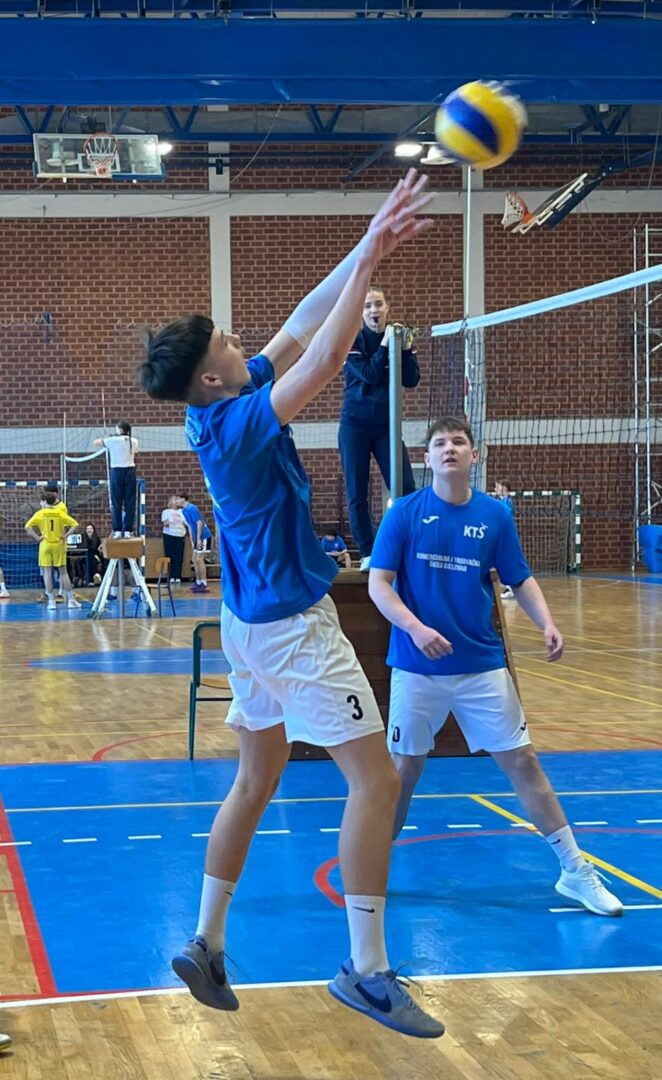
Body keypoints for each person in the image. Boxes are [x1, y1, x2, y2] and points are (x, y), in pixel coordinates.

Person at [139, 171, 444, 1039]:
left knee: (257, 777)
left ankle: (205, 941)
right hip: (291, 628)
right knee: (375, 780)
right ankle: (367, 971)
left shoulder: (216, 403)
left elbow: (304, 322)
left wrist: (369, 240)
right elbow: (321, 360)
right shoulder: (238, 426)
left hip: (248, 628)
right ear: (212, 375)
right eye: (230, 340)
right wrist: (372, 259)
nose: (245, 340)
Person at [368, 416, 623, 918]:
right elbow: (380, 583)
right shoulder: (404, 513)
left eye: (458, 441)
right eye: (439, 443)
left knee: (524, 762)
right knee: (403, 771)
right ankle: (372, 868)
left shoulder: (495, 515)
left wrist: (546, 622)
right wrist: (416, 629)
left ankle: (575, 871)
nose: (448, 448)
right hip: (417, 667)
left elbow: (519, 578)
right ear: (426, 458)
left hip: (481, 664)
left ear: (474, 455)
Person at [338, 286, 420, 573]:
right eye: (368, 306)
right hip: (355, 425)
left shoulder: (397, 339)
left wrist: (405, 348)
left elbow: (411, 379)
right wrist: (386, 345)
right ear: (361, 313)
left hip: (386, 425)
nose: (374, 310)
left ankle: (407, 547)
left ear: (387, 308)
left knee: (406, 489)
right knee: (357, 492)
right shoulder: (354, 341)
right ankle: (368, 552)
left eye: (378, 304)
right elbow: (370, 374)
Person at [25, 492, 82, 610]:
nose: (40, 503)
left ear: (45, 502)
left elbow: (27, 527)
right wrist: (65, 535)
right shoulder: (60, 513)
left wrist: (37, 538)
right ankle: (71, 600)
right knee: (63, 573)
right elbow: (75, 524)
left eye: (41, 501)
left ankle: (51, 602)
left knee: (47, 573)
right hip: (58, 544)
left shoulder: (39, 514)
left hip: (45, 544)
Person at [93, 421, 138, 538]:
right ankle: (128, 530)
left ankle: (117, 530)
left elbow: (96, 442)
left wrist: (107, 438)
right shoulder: (133, 441)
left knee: (116, 502)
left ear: (120, 429)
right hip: (130, 471)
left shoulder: (112, 440)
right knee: (130, 502)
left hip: (117, 472)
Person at [178, 494, 212, 593]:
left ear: (183, 499)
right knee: (194, 559)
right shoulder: (184, 511)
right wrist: (192, 540)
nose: (176, 501)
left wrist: (199, 538)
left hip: (204, 536)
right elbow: (189, 526)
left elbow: (199, 522)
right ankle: (198, 582)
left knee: (199, 559)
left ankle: (204, 584)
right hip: (196, 537)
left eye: (177, 499)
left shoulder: (192, 508)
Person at [493, 479, 515, 598]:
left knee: (505, 563)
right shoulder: (501, 501)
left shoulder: (507, 501)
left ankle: (510, 588)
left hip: (506, 538)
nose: (495, 489)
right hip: (500, 537)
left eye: (497, 487)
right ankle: (508, 587)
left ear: (504, 488)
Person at [161, 496, 187, 584]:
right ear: (170, 502)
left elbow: (186, 522)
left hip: (180, 535)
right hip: (169, 535)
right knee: (170, 556)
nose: (176, 501)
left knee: (179, 556)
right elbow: (165, 523)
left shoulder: (182, 511)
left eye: (177, 499)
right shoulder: (166, 512)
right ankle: (171, 576)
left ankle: (178, 576)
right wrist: (171, 522)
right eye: (174, 499)